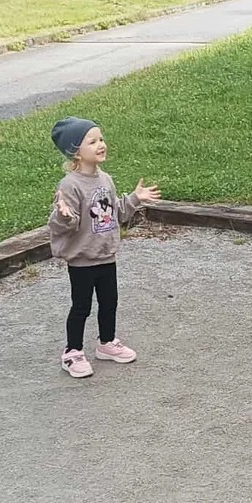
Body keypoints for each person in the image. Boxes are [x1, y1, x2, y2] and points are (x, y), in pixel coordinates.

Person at [49, 117, 161, 379]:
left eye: (101, 139)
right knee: (81, 307)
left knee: (109, 302)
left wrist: (135, 198)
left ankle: (106, 343)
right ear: (76, 151)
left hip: (106, 255)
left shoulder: (105, 180)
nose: (101, 144)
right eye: (92, 141)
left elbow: (116, 213)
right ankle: (72, 352)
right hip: (82, 260)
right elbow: (64, 224)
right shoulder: (70, 185)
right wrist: (63, 216)